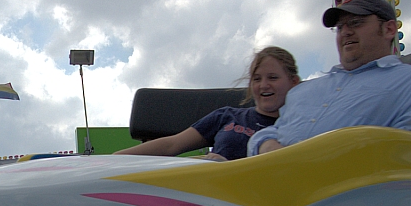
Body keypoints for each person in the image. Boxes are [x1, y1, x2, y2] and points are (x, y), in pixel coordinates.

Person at [248, 0, 411, 156]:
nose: (346, 32)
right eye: (340, 28)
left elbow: (408, 153)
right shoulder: (303, 91)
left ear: (389, 29)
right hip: (270, 184)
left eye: (356, 23)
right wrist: (267, 145)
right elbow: (272, 131)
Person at [117, 46, 300, 161]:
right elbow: (172, 145)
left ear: (294, 82)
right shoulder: (227, 116)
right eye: (257, 78)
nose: (263, 85)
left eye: (273, 78)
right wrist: (113, 159)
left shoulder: (304, 127)